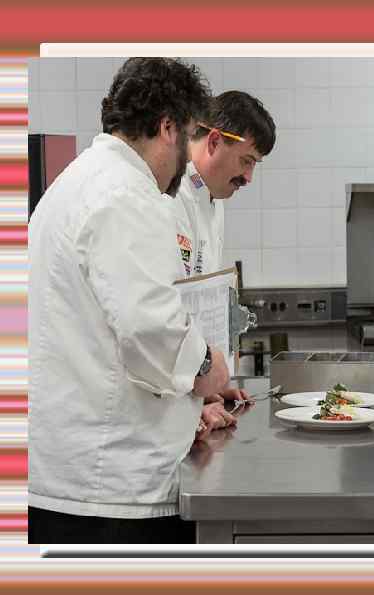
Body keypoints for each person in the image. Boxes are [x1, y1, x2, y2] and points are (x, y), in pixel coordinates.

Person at [28, 58, 230, 544]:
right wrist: (208, 369)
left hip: (73, 474)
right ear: (168, 127)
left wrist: (188, 407)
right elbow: (150, 328)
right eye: (188, 135)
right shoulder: (126, 195)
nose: (186, 160)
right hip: (109, 489)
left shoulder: (80, 179)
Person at [171, 90, 276, 428]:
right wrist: (190, 402)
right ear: (214, 141)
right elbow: (160, 320)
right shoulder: (168, 197)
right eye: (247, 161)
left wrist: (206, 388)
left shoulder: (213, 200)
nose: (249, 178)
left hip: (188, 383)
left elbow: (199, 303)